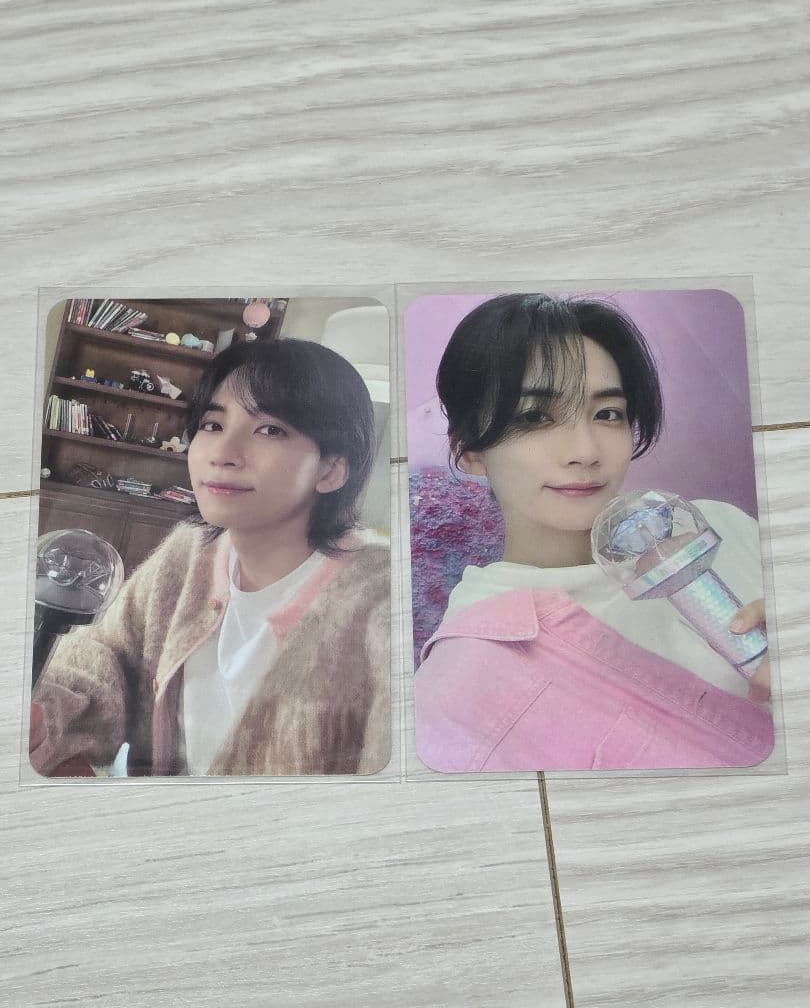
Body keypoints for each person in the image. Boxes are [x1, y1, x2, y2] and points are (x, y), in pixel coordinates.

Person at [413, 293, 773, 772]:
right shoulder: (468, 676)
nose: (585, 451)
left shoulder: (721, 526)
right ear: (470, 452)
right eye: (534, 417)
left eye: (608, 414)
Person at [31, 338, 390, 777]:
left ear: (331, 469)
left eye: (270, 430)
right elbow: (108, 653)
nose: (222, 454)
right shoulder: (190, 553)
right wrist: (46, 715)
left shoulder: (383, 599)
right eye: (213, 425)